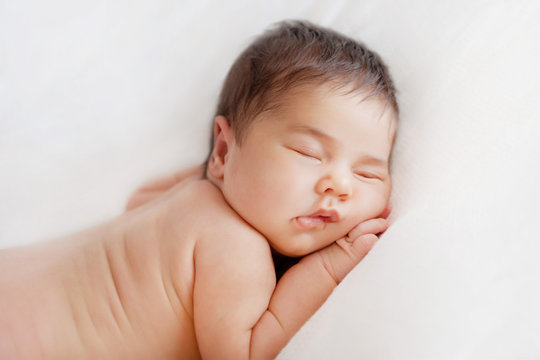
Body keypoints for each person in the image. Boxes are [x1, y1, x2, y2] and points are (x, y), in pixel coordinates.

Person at [0, 20, 398, 359]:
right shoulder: (234, 246)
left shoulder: (184, 196)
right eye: (308, 153)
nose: (340, 185)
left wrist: (220, 172)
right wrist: (330, 267)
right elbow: (245, 353)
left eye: (368, 175)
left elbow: (137, 200)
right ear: (224, 149)